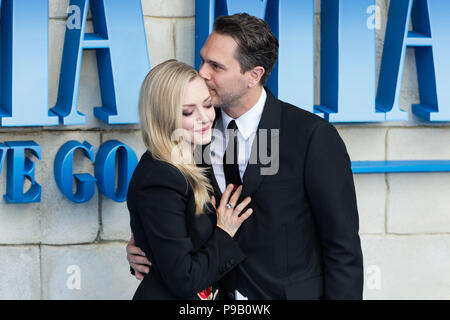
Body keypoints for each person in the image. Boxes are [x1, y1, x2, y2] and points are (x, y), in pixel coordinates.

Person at [127, 13, 364, 300]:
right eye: (202, 59)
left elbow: (342, 247)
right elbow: (168, 214)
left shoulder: (311, 137)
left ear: (254, 75)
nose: (202, 72)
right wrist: (145, 243)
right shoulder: (192, 130)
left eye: (216, 66)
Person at [127, 59, 253, 300]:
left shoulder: (195, 156)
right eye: (188, 111)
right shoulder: (161, 176)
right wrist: (224, 231)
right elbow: (184, 279)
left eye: (207, 105)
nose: (204, 118)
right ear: (163, 116)